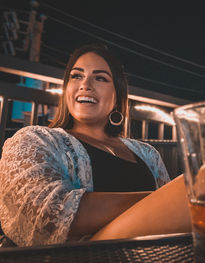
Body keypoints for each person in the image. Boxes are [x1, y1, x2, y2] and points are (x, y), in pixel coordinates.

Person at [0, 43, 191, 247]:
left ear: (117, 96)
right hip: (81, 256)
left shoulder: (147, 153)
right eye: (76, 76)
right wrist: (166, 201)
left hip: (157, 256)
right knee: (192, 189)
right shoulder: (35, 140)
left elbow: (176, 225)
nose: (86, 85)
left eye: (100, 78)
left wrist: (171, 201)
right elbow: (48, 215)